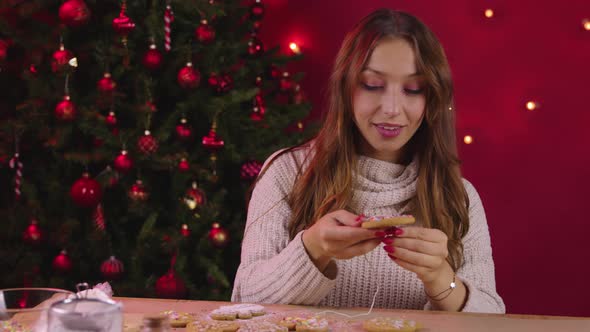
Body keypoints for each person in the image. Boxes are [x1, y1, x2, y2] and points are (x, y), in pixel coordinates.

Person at [231, 8, 505, 313]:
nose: (391, 108)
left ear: (433, 99)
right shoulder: (287, 173)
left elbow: (492, 317)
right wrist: (313, 248)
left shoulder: (459, 196)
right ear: (346, 88)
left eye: (413, 89)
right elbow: (244, 300)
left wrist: (441, 279)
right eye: (372, 85)